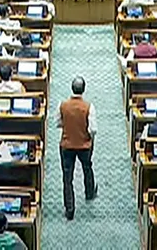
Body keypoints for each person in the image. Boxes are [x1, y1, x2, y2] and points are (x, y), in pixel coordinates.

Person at [58, 77, 96, 220]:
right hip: (84, 145)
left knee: (67, 178)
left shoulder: (62, 105)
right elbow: (93, 129)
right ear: (83, 90)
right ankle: (89, 192)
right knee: (87, 167)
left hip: (66, 145)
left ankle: (69, 209)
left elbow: (58, 123)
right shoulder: (89, 107)